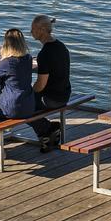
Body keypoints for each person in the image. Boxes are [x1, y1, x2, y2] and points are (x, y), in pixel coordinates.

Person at [0, 28, 56, 150]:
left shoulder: (8, 63)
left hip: (13, 108)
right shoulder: (28, 58)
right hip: (29, 104)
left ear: (7, 44)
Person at [30, 14, 70, 145]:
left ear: (42, 30)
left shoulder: (45, 54)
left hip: (51, 99)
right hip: (64, 94)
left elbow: (40, 85)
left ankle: (47, 130)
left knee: (20, 105)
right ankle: (47, 132)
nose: (31, 32)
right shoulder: (61, 46)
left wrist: (29, 92)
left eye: (33, 28)